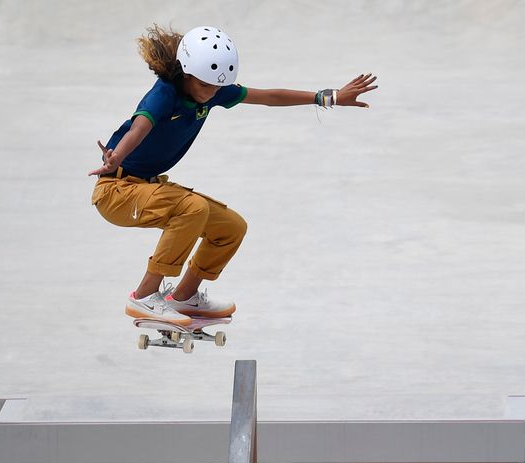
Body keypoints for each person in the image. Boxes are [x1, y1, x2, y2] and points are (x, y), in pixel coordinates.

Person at [89, 24, 378, 325]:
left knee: (230, 227)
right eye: (205, 86)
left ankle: (186, 298)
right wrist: (115, 157)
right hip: (116, 191)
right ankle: (145, 297)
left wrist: (326, 97)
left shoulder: (210, 90)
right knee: (192, 208)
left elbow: (269, 97)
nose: (210, 93)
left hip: (147, 189)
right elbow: (140, 126)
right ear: (186, 73)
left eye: (216, 87)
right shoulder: (164, 94)